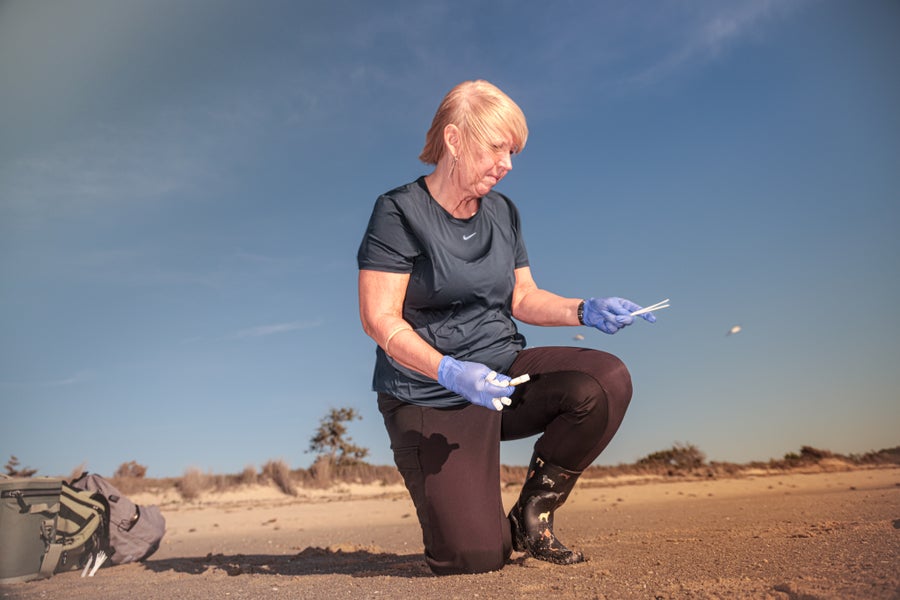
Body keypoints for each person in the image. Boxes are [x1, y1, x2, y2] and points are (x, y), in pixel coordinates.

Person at [356, 79, 656, 575]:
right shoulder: (398, 212)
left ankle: (532, 518)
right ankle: (480, 527)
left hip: (501, 376)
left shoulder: (503, 212)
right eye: (497, 147)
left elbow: (522, 297)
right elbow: (379, 319)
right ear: (454, 140)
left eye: (512, 151)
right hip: (429, 393)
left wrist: (585, 309)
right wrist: (449, 371)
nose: (508, 164)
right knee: (476, 557)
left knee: (606, 381)